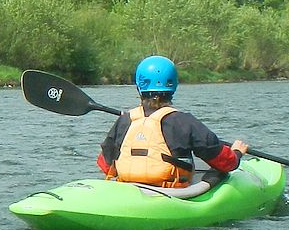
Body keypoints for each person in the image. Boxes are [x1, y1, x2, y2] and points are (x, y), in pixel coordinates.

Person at [98, 55, 248, 194]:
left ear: (139, 86)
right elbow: (224, 162)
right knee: (217, 171)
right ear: (173, 86)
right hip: (169, 192)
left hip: (127, 189)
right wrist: (236, 153)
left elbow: (105, 163)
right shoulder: (184, 122)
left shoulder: (126, 120)